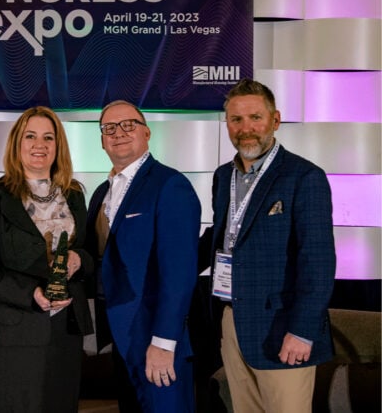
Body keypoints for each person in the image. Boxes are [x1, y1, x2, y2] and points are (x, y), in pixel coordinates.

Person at [199, 78, 336, 412]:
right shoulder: (222, 176)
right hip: (233, 320)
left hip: (284, 326)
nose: (246, 128)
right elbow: (222, 237)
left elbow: (317, 261)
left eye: (255, 118)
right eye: (236, 119)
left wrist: (303, 331)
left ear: (275, 120)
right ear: (227, 123)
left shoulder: (304, 177)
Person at [0, 106, 94, 413]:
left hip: (65, 331)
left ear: (58, 145)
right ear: (16, 143)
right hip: (14, 330)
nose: (40, 144)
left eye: (49, 137)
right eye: (31, 136)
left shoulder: (74, 194)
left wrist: (78, 259)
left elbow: (91, 255)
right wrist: (31, 294)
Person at [86, 99, 202, 412]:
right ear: (101, 140)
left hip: (156, 339)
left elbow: (179, 273)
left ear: (147, 133)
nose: (119, 133)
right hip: (120, 339)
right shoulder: (101, 192)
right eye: (109, 128)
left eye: (128, 125)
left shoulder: (170, 185)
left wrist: (164, 342)